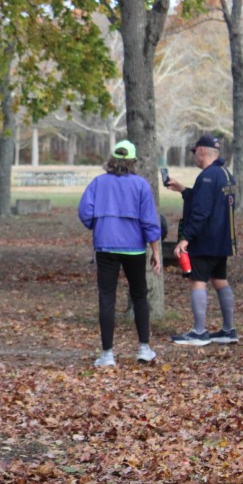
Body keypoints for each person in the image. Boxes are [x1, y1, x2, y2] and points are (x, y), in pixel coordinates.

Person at [78, 139, 162, 367]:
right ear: (133, 161)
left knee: (107, 296)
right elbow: (149, 220)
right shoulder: (141, 185)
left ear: (112, 159)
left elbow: (84, 211)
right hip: (134, 248)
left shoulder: (98, 183)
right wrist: (155, 251)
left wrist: (97, 225)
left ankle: (107, 353)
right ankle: (144, 347)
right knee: (139, 295)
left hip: (105, 245)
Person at [164, 133, 239, 346]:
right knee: (219, 280)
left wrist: (185, 238)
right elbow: (211, 203)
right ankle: (229, 330)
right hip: (223, 239)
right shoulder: (225, 174)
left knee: (197, 281)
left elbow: (201, 211)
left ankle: (199, 332)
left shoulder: (207, 176)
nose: (194, 156)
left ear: (202, 151)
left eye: (195, 151)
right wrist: (183, 190)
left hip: (205, 240)